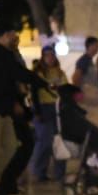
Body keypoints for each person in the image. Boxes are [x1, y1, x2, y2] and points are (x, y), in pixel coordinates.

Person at [0, 20, 51, 195]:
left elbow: (18, 73)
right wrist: (43, 83)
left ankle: (0, 183)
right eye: (14, 34)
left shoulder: (1, 53)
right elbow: (17, 73)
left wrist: (42, 84)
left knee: (11, 146)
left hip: (3, 107)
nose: (16, 37)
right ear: (6, 35)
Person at [29, 45, 67, 183]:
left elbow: (65, 89)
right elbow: (33, 93)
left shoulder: (60, 73)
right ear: (43, 57)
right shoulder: (38, 73)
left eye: (52, 55)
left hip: (58, 108)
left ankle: (60, 172)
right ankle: (39, 171)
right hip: (43, 107)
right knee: (45, 141)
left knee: (60, 141)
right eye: (47, 55)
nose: (50, 58)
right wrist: (37, 111)